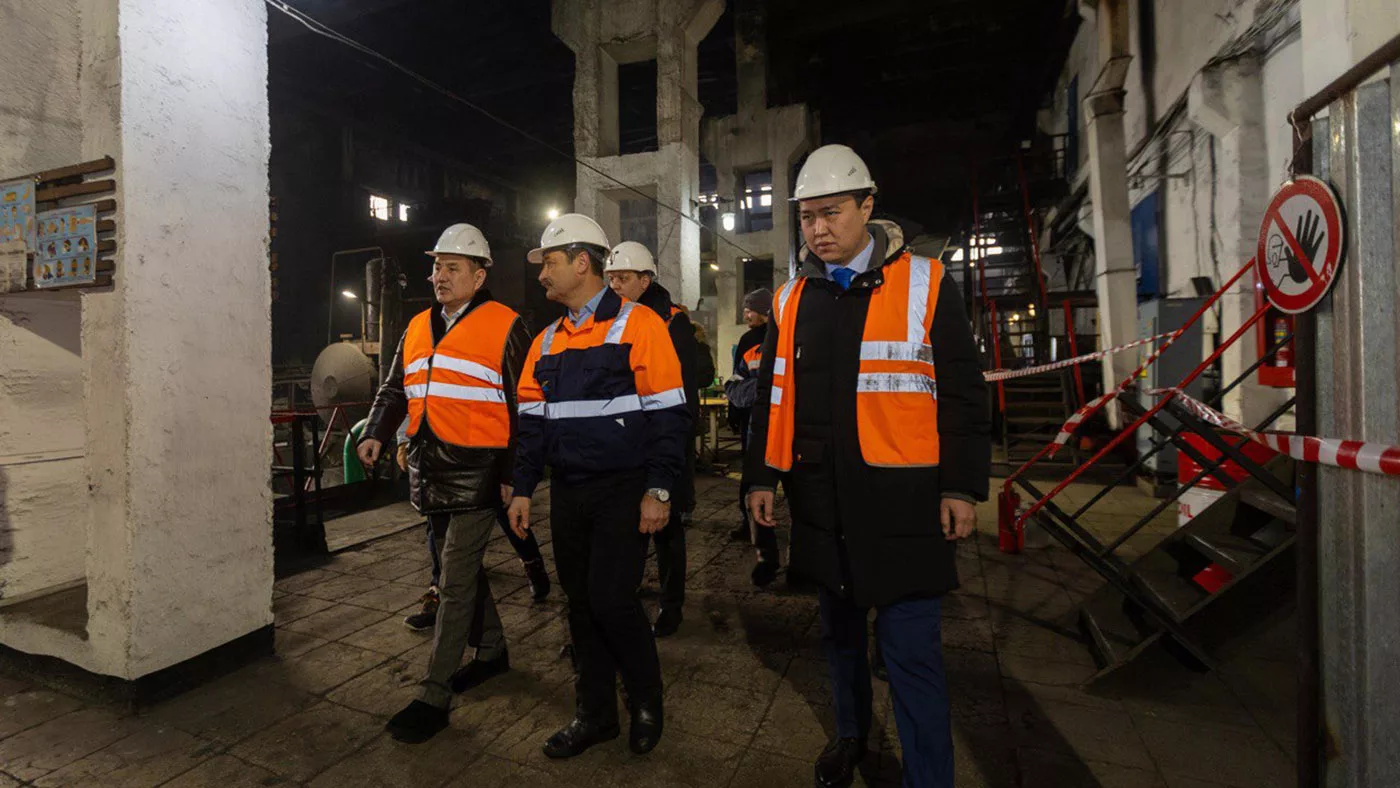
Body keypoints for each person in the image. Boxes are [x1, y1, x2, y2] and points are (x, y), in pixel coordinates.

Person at [743, 145, 990, 788]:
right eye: (807, 217)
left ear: (868, 206)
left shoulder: (926, 282)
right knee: (840, 638)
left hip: (904, 501)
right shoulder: (792, 299)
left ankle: (928, 778)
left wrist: (962, 487)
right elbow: (772, 396)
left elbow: (964, 393)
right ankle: (850, 735)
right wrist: (761, 477)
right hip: (822, 499)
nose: (818, 228)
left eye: (832, 212)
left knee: (913, 656)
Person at [508, 214, 690, 759]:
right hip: (569, 491)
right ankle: (595, 716)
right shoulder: (545, 340)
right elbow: (532, 425)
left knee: (612, 602)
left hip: (622, 489)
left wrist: (659, 490)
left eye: (550, 263)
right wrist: (523, 488)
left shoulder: (641, 325)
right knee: (581, 604)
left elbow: (669, 417)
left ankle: (647, 699)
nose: (542, 275)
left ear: (582, 262)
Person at [357, 223, 534, 744]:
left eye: (452, 268)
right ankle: (493, 650)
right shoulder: (417, 326)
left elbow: (523, 407)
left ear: (479, 276)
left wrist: (515, 476)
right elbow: (395, 388)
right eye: (437, 267)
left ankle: (433, 694)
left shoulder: (507, 325)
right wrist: (375, 431)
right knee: (459, 570)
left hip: (479, 472)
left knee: (454, 581)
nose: (440, 276)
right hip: (429, 468)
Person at [603, 240, 700, 637]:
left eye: (623, 278)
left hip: (662, 440)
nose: (614, 286)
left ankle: (671, 604)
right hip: (625, 443)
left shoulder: (673, 323)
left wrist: (675, 446)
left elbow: (683, 393)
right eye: (610, 279)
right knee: (628, 524)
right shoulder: (612, 320)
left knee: (667, 528)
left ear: (645, 281)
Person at [396, 416, 551, 633]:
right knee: (437, 520)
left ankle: (532, 562)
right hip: (437, 453)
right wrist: (403, 440)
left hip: (483, 446)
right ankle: (439, 588)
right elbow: (412, 401)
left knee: (504, 509)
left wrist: (508, 463)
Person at [724, 288, 782, 587]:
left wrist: (761, 390)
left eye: (751, 310)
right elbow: (734, 385)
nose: (746, 314)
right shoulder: (748, 342)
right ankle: (766, 558)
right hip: (757, 428)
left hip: (787, 429)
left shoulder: (788, 337)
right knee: (754, 489)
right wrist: (762, 393)